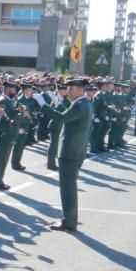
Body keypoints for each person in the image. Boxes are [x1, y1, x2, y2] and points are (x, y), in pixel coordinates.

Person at [41, 78, 94, 232]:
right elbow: (69, 115)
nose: (68, 91)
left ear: (80, 90)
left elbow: (62, 118)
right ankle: (70, 221)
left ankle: (69, 222)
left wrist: (43, 105)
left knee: (68, 188)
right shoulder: (84, 103)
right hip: (77, 150)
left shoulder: (79, 105)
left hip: (70, 152)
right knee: (69, 187)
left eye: (71, 89)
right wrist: (58, 103)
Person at [0, 81, 24, 191]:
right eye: (14, 89)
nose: (15, 92)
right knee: (2, 159)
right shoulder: (3, 100)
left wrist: (18, 111)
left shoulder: (9, 100)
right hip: (5, 133)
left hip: (9, 133)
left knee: (4, 159)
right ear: (8, 89)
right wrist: (18, 112)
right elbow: (7, 118)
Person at [44, 84, 70, 170]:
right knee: (53, 145)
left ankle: (53, 162)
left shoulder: (67, 100)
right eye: (64, 90)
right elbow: (50, 112)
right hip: (55, 125)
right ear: (60, 91)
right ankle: (50, 164)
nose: (67, 91)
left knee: (59, 145)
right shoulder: (55, 100)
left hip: (62, 125)